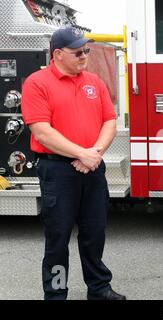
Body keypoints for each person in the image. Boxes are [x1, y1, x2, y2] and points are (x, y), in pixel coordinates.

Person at [21, 26, 126, 300]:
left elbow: (110, 120)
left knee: (95, 233)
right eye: (78, 52)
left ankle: (99, 289)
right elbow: (42, 131)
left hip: (92, 165)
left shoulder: (94, 81)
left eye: (87, 51)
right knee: (58, 238)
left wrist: (95, 152)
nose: (84, 56)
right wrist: (82, 153)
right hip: (57, 170)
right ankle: (56, 293)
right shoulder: (37, 83)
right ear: (57, 54)